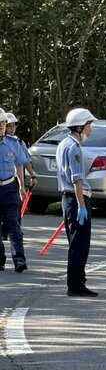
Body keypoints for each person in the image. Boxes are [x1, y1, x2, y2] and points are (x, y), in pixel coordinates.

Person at [56, 108, 98, 294]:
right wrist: (81, 205)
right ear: (80, 127)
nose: (91, 130)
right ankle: (75, 284)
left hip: (70, 198)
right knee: (79, 245)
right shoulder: (74, 147)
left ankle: (77, 280)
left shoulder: (64, 143)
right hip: (76, 199)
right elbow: (76, 179)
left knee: (76, 242)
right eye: (89, 125)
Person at [0, 108, 28, 272]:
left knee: (14, 225)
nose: (2, 126)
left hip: (10, 188)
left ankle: (19, 259)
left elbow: (19, 164)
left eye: (3, 123)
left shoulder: (13, 143)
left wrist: (22, 187)